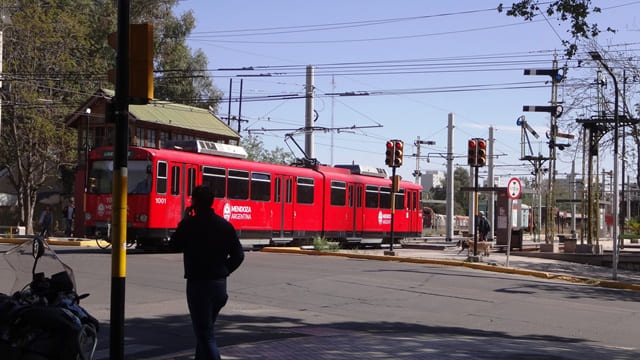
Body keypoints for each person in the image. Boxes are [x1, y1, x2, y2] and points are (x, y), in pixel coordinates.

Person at [170, 185, 244, 360]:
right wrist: (224, 270)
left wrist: (184, 220)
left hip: (198, 285)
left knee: (205, 334)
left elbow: (174, 245)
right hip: (219, 285)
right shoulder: (224, 225)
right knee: (205, 331)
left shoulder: (190, 224)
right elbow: (238, 255)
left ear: (194, 202)